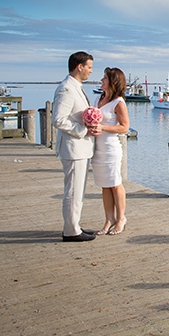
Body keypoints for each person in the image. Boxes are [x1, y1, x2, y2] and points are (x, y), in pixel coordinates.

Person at [52, 51, 98, 242]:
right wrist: (83, 130)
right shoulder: (67, 89)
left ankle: (74, 224)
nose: (91, 71)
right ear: (79, 67)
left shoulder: (75, 87)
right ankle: (71, 231)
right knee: (73, 190)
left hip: (80, 148)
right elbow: (58, 120)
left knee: (78, 190)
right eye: (89, 67)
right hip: (73, 148)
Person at [90, 67, 130, 235]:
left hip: (111, 148)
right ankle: (109, 219)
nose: (101, 80)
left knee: (115, 183)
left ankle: (121, 218)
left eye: (104, 78)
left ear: (113, 81)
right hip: (97, 148)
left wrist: (103, 127)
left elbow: (125, 127)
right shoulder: (98, 98)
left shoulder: (118, 103)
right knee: (104, 185)